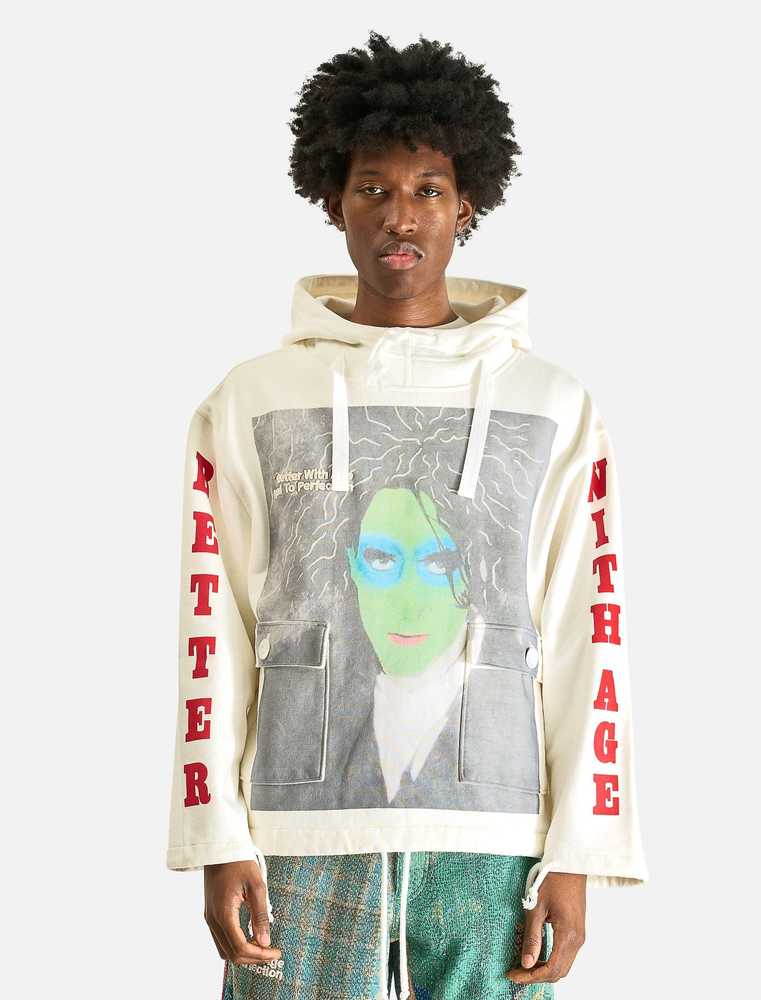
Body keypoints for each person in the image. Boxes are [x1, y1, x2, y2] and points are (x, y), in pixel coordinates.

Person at [166, 30, 648, 1000]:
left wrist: (578, 852)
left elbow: (582, 628)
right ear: (331, 201)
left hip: (494, 837)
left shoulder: (552, 403)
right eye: (372, 188)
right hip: (295, 834)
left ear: (466, 204)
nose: (400, 215)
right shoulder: (251, 399)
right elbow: (214, 622)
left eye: (428, 189)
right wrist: (215, 832)